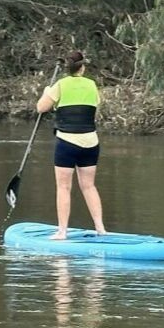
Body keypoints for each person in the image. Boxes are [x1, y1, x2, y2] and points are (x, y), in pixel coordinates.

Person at [36, 50, 105, 239]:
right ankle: (100, 228)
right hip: (91, 142)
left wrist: (46, 93)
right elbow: (95, 107)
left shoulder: (60, 85)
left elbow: (41, 108)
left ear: (67, 68)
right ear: (82, 68)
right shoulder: (92, 85)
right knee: (89, 186)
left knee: (64, 187)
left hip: (67, 142)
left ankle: (62, 231)